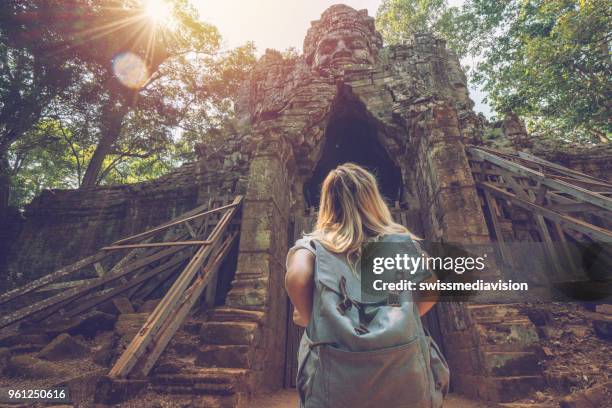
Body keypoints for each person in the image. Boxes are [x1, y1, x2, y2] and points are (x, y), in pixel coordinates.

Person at [285, 162, 446, 408]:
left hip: (335, 382)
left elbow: (297, 276)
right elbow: (433, 285)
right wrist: (404, 316)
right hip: (405, 376)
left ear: (328, 203)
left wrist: (313, 317)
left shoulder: (314, 245)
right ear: (373, 199)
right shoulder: (403, 243)